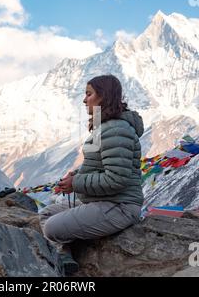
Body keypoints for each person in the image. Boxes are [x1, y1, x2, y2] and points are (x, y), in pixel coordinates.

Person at [39, 74, 144, 275]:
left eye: (89, 94)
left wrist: (76, 183)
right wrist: (76, 174)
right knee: (46, 213)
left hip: (119, 206)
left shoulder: (116, 130)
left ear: (103, 97)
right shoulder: (101, 126)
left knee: (52, 228)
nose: (84, 99)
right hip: (101, 200)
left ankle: (64, 250)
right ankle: (66, 251)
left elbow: (116, 179)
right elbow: (95, 165)